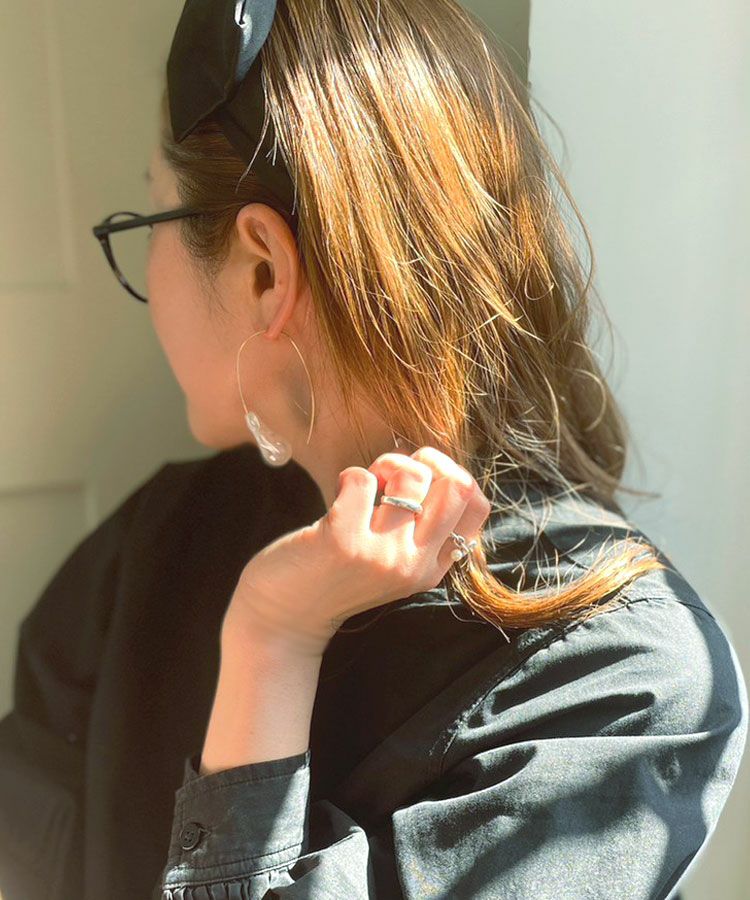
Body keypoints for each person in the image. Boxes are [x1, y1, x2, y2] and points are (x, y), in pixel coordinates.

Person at [1, 1, 746, 898]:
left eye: (151, 214)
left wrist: (273, 640)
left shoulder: (621, 679)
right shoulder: (151, 540)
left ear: (265, 271)